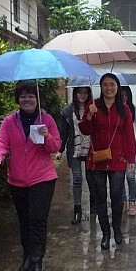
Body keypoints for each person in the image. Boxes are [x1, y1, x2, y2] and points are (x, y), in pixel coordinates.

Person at [0, 81, 62, 271]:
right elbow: (1, 142)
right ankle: (28, 255)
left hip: (42, 178)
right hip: (17, 180)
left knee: (37, 219)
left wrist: (47, 136)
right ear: (18, 99)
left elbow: (56, 146)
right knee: (24, 220)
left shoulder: (46, 120)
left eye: (31, 95)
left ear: (37, 99)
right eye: (23, 96)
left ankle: (37, 263)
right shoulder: (9, 122)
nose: (27, 99)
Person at [78, 73, 136, 250]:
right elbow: (85, 130)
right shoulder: (93, 105)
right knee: (100, 197)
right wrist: (89, 115)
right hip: (97, 160)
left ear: (117, 87)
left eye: (112, 84)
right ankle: (105, 233)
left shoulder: (124, 109)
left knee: (117, 195)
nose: (109, 88)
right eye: (105, 84)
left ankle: (117, 228)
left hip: (118, 159)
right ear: (101, 87)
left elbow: (129, 134)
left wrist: (131, 157)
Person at [57, 86, 96, 224]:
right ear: (75, 93)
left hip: (91, 149)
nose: (82, 95)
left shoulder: (94, 107)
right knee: (77, 179)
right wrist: (60, 150)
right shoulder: (67, 111)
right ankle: (77, 210)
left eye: (85, 92)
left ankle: (94, 209)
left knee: (92, 180)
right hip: (75, 149)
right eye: (80, 92)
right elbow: (64, 132)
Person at [120, 86, 136, 216]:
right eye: (121, 95)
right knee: (119, 176)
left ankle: (132, 202)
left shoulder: (134, 109)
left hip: (132, 147)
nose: (124, 97)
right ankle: (123, 201)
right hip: (118, 148)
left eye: (126, 95)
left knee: (130, 175)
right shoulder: (115, 109)